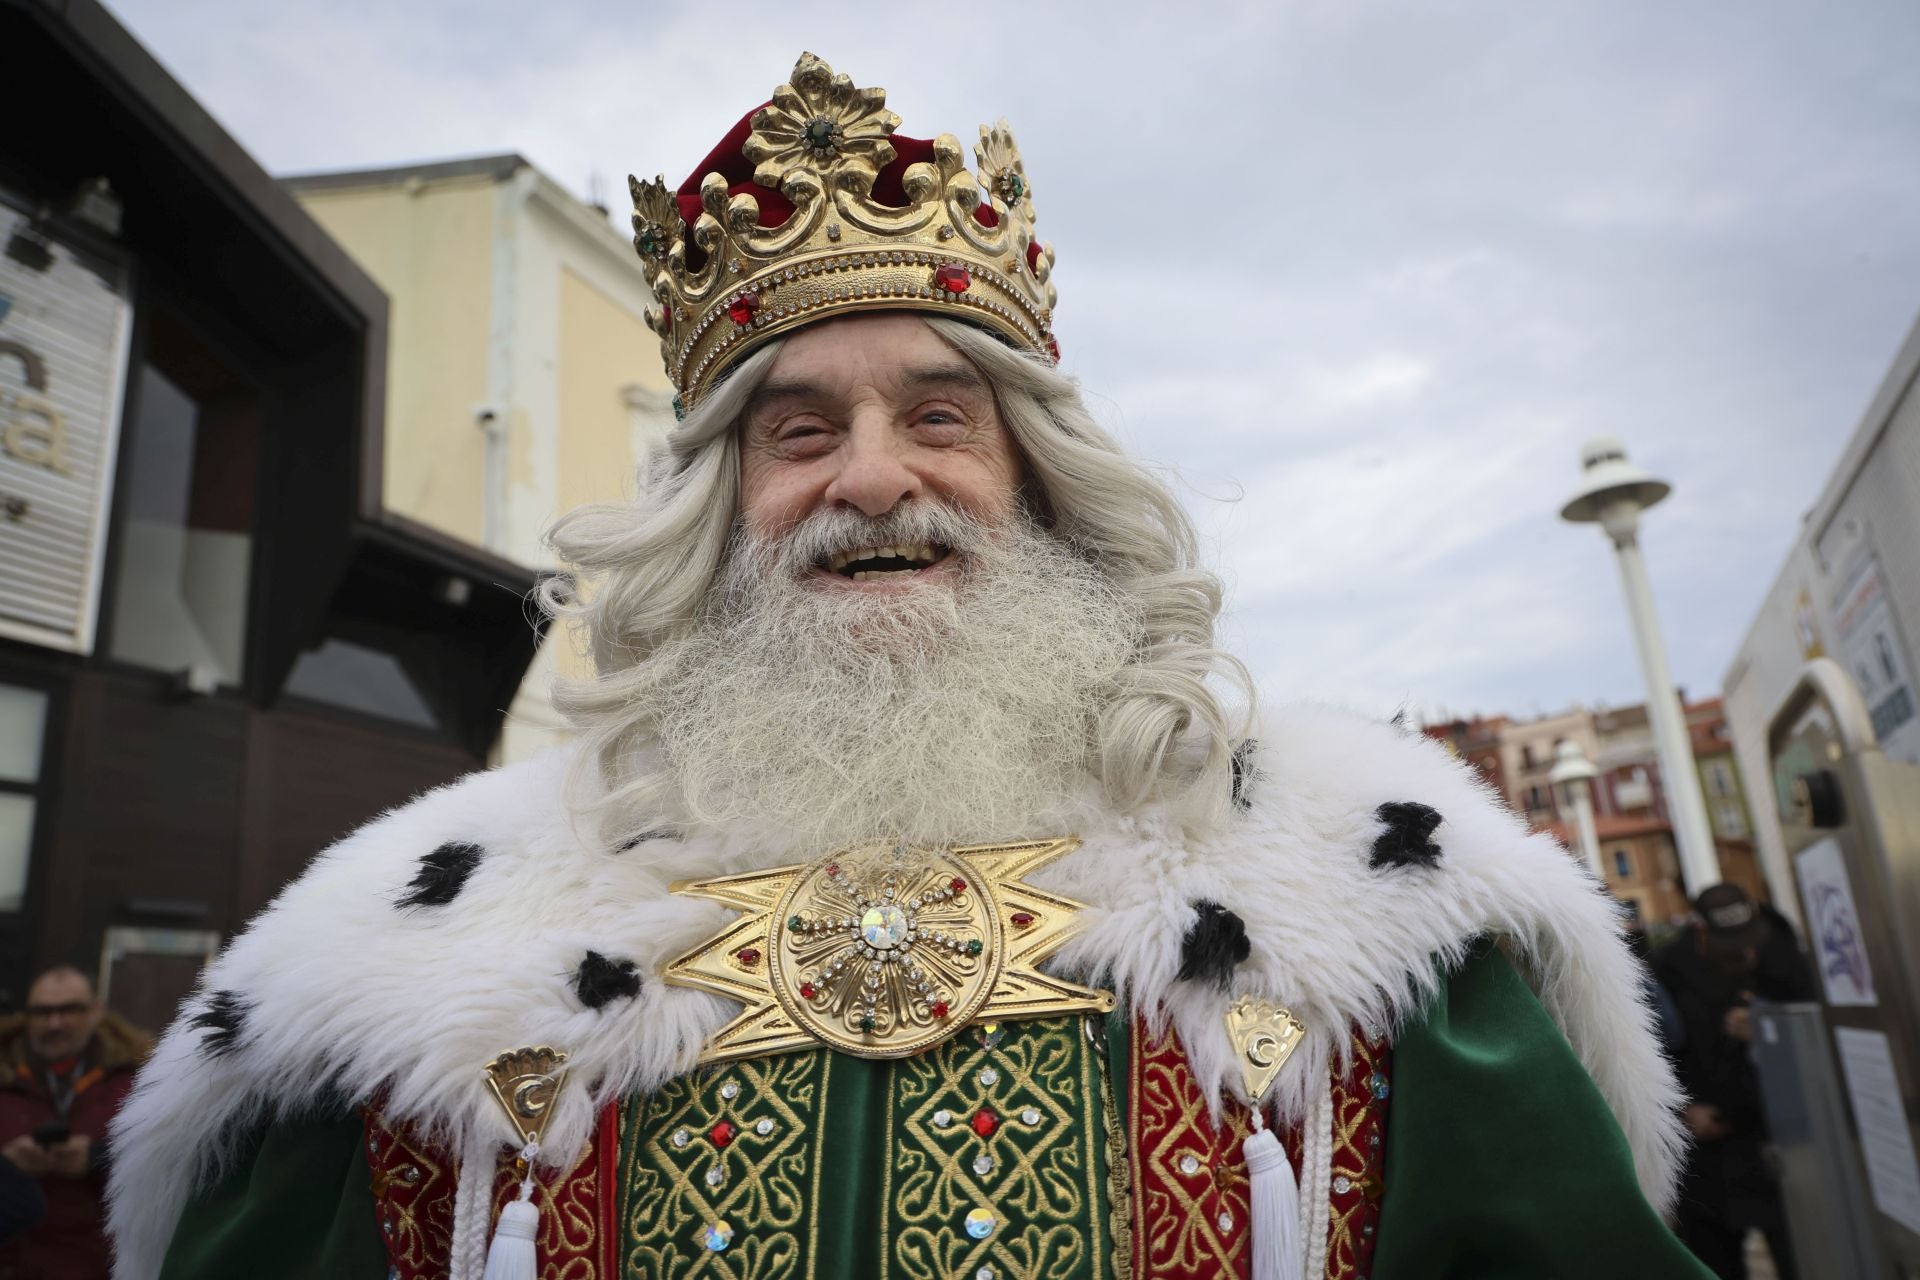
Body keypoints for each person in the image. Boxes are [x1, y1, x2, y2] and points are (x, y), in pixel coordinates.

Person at [109, 52, 1710, 1280]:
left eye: (940, 417)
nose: (871, 479)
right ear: (711, 516)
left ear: (1047, 488)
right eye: (798, 433)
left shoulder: (1365, 923)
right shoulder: (410, 962)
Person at [1653, 883, 1814, 1280]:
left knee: (1805, 1257)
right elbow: (1656, 1046)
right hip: (1703, 1146)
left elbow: (1814, 1041)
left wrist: (1769, 1029)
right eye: (1731, 944)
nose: (1744, 953)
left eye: (1749, 941)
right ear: (1702, 932)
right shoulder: (1669, 967)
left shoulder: (1781, 954)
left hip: (1776, 1137)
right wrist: (1682, 1109)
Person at [0, 965, 148, 1279]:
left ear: (97, 1011)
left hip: (97, 1266)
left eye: (70, 1010)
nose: (54, 1023)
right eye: (42, 1012)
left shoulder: (136, 1084)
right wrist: (6, 1167)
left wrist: (95, 1159)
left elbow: (162, 1161)